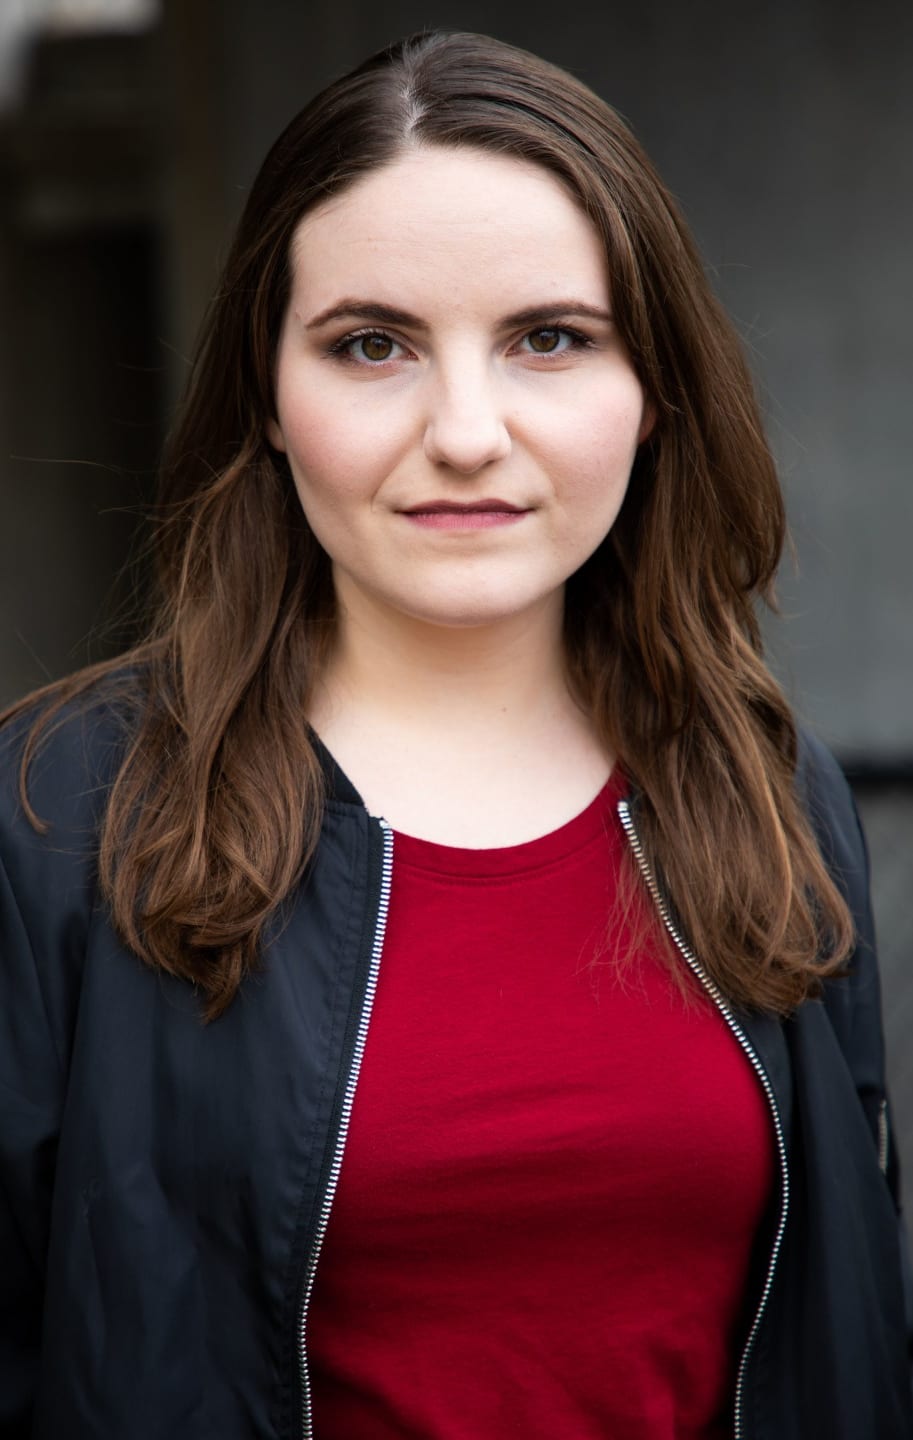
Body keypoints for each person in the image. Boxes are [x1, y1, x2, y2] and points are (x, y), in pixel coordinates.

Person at [0, 28, 910, 1440]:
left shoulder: (769, 791)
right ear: (268, 398)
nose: (467, 431)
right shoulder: (61, 813)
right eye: (372, 345)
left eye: (551, 338)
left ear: (652, 394)